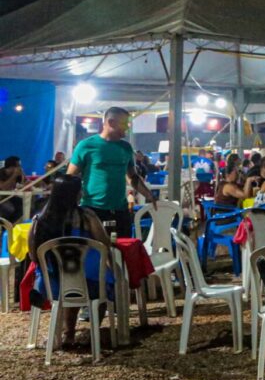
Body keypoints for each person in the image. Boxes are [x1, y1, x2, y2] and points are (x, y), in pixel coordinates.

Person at [29, 174, 113, 349]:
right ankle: (93, 334)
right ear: (75, 194)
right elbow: (103, 245)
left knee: (69, 280)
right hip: (88, 283)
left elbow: (33, 256)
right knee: (102, 282)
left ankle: (68, 334)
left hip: (51, 285)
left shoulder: (39, 220)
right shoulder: (87, 216)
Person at [66, 106, 153, 237]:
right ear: (111, 122)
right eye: (124, 123)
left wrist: (149, 195)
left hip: (120, 211)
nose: (127, 127)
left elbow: (132, 177)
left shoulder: (126, 148)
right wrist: (71, 207)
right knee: (95, 248)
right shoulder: (86, 146)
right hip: (92, 210)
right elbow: (70, 178)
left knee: (123, 247)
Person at [0, 156, 24, 222]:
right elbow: (3, 187)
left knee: (22, 204)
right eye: (18, 166)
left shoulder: (16, 174)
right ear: (11, 167)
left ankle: (12, 224)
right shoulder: (1, 172)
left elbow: (23, 184)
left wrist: (22, 176)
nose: (20, 168)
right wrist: (14, 175)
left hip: (8, 196)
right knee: (10, 209)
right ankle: (4, 225)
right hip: (1, 198)